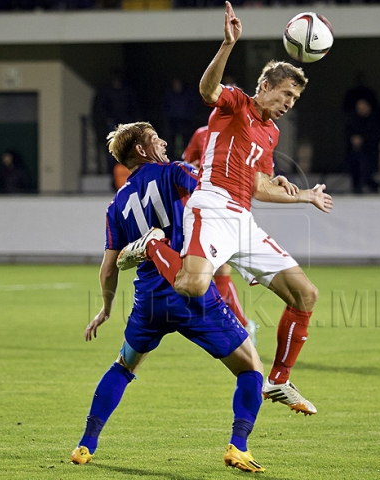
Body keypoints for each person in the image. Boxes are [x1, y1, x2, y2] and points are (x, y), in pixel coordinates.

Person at [118, 1, 332, 416]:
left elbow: (259, 187)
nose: (290, 102)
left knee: (305, 294)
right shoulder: (237, 104)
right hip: (211, 206)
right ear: (265, 85)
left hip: (242, 219)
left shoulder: (271, 132)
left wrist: (301, 195)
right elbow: (206, 91)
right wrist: (227, 45)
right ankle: (151, 246)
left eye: (296, 98)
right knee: (192, 286)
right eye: (287, 93)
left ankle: (279, 381)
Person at [70, 121, 266, 473]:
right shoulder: (173, 172)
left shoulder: (116, 205)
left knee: (124, 365)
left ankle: (86, 444)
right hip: (190, 292)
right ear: (142, 151)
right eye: (154, 138)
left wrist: (106, 308)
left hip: (149, 303)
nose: (162, 141)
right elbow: (215, 197)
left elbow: (109, 267)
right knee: (251, 368)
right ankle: (238, 446)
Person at [182, 123, 259, 344]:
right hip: (203, 205)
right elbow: (186, 164)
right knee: (209, 271)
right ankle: (239, 325)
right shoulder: (202, 134)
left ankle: (241, 325)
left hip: (231, 206)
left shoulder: (249, 133)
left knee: (222, 268)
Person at [345, 98, 380, 193]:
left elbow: (375, 135)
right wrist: (354, 139)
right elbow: (348, 132)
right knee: (354, 165)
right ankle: (356, 187)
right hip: (355, 151)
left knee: (365, 169)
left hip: (369, 150)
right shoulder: (353, 119)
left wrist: (363, 139)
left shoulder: (373, 119)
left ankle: (370, 185)